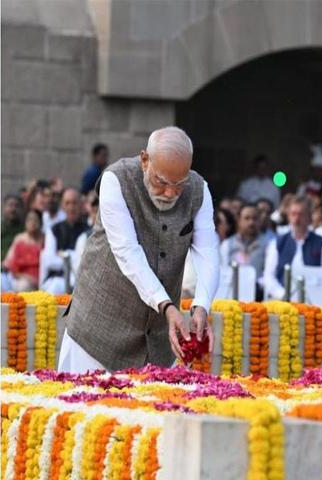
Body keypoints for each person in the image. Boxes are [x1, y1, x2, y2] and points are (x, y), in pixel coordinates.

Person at [59, 126, 219, 373]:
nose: (170, 193)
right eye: (162, 182)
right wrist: (166, 305)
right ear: (145, 160)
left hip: (156, 340)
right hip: (97, 331)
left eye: (179, 185)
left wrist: (202, 305)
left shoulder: (199, 190)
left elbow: (208, 252)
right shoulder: (116, 180)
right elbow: (128, 253)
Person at [263, 195, 322, 300]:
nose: (297, 219)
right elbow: (269, 276)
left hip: (312, 299)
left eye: (301, 214)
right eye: (293, 214)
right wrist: (283, 294)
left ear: (309, 217)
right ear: (288, 217)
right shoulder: (277, 242)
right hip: (281, 299)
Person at [40, 188, 88, 294]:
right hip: (57, 279)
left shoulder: (88, 230)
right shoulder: (53, 230)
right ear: (62, 206)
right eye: (67, 203)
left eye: (74, 203)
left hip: (81, 281)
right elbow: (50, 261)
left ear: (81, 205)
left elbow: (86, 263)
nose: (71, 207)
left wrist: (64, 255)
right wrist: (74, 256)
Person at [220, 204, 269, 293]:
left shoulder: (268, 244)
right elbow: (223, 273)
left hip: (258, 295)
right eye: (247, 218)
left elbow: (269, 276)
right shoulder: (227, 245)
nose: (251, 222)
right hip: (233, 293)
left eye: (255, 218)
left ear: (259, 221)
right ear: (239, 220)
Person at [3, 209, 44, 292]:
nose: (32, 223)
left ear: (41, 222)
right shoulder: (19, 239)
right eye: (29, 219)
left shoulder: (46, 240)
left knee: (24, 286)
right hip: (17, 276)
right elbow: (9, 262)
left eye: (35, 220)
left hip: (37, 280)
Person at [1, 195, 24, 261]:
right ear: (4, 207)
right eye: (10, 205)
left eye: (16, 206)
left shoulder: (25, 229)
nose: (13, 209)